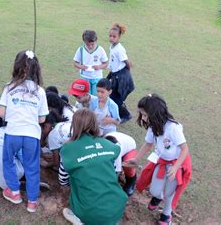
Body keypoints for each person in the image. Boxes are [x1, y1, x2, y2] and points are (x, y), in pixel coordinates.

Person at [125, 94, 192, 225]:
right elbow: (148, 144)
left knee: (169, 193)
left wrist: (176, 167)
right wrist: (136, 159)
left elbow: (185, 149)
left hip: (176, 163)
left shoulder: (173, 128)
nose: (143, 118)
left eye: (145, 115)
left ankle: (167, 215)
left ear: (155, 113)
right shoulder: (152, 126)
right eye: (142, 114)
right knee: (154, 191)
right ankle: (157, 198)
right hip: (162, 161)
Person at [0, 50, 49, 213]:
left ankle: (14, 192)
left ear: (16, 67)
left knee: (8, 160)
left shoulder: (9, 87)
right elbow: (42, 119)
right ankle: (32, 201)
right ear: (37, 69)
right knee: (32, 166)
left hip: (12, 132)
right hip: (31, 135)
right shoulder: (40, 91)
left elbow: (1, 112)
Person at [60, 109, 127, 225]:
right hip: (117, 207)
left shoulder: (68, 149)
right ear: (95, 124)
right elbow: (116, 171)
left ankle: (80, 219)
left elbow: (62, 179)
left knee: (74, 181)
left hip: (88, 211)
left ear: (74, 125)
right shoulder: (111, 145)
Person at [107, 23, 135, 122]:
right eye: (110, 36)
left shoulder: (119, 49)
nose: (111, 38)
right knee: (113, 95)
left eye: (114, 36)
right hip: (115, 74)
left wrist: (128, 67)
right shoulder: (112, 46)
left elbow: (126, 61)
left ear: (119, 37)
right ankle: (119, 110)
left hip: (121, 76)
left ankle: (126, 115)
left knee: (115, 96)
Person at [73, 30, 108, 96]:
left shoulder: (100, 50)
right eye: (88, 44)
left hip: (97, 77)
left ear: (96, 40)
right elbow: (75, 63)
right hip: (85, 77)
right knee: (86, 96)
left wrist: (99, 67)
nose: (90, 46)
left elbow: (105, 63)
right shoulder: (81, 49)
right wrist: (81, 67)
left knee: (96, 96)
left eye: (92, 44)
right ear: (84, 41)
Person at [104, 132, 137, 196]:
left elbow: (116, 171)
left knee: (128, 166)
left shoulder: (117, 151)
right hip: (117, 138)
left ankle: (131, 181)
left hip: (129, 146)